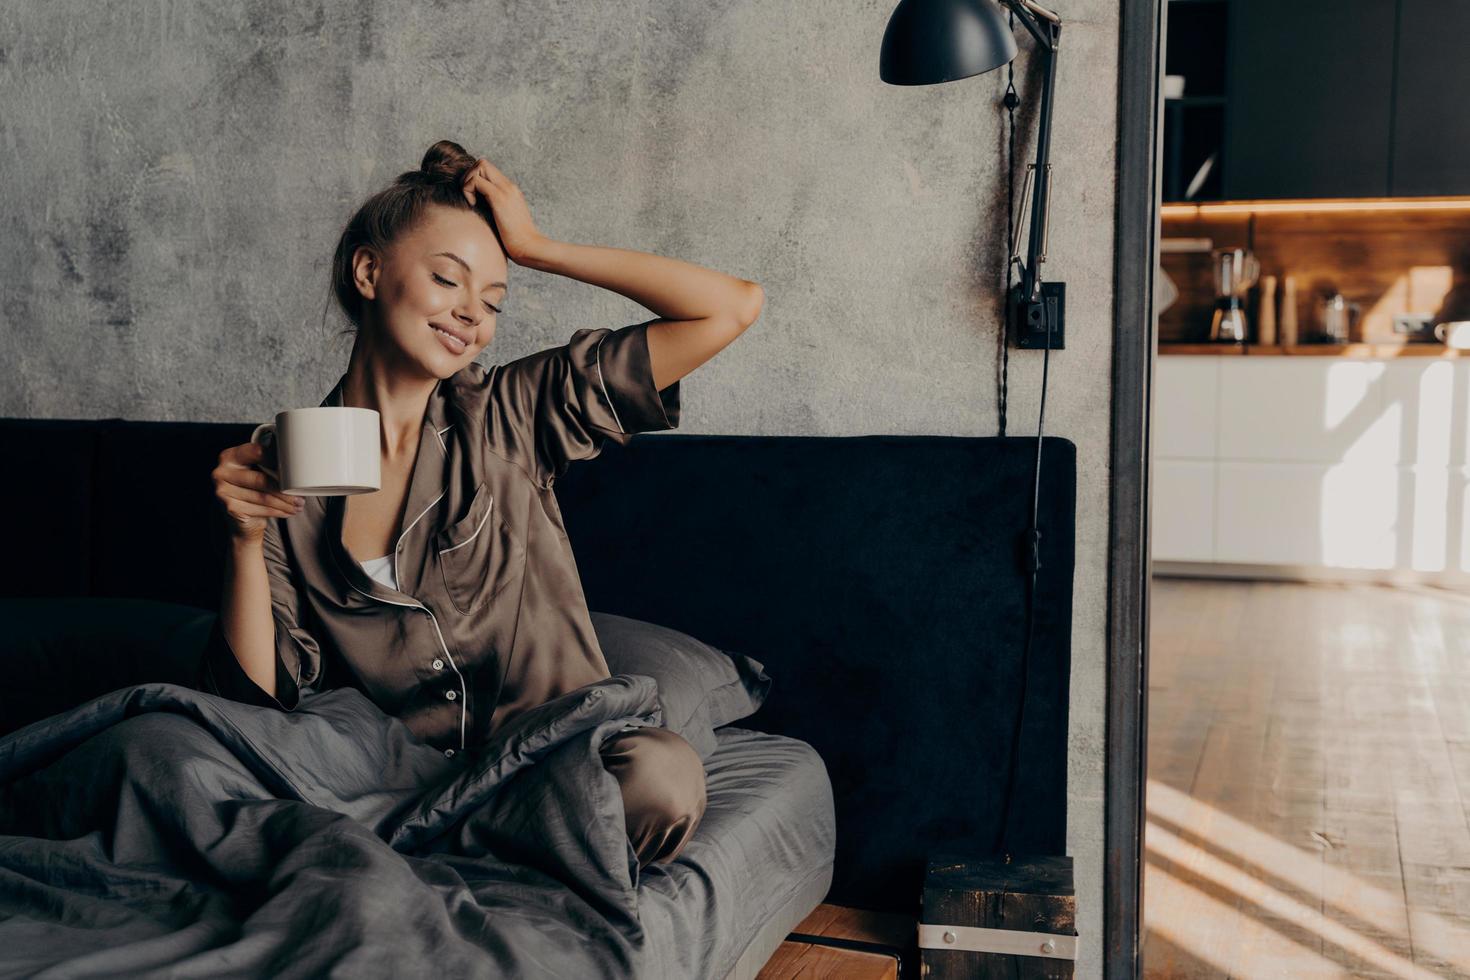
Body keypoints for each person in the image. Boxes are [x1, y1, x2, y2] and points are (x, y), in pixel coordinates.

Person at [202, 140, 764, 868]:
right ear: (369, 272)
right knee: (176, 757)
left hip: (555, 756)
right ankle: (454, 841)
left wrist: (539, 247)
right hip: (392, 777)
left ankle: (417, 846)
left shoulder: (508, 412)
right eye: (448, 280)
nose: (472, 315)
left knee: (661, 781)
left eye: (493, 301)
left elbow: (729, 308)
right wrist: (244, 542)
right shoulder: (282, 462)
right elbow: (255, 704)